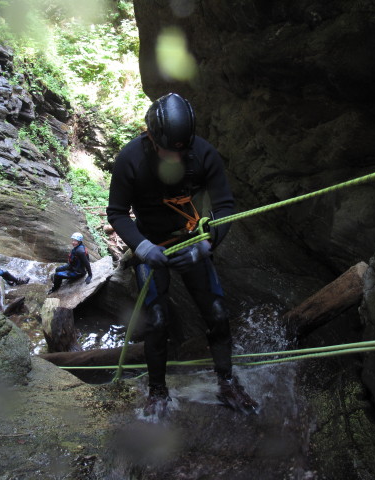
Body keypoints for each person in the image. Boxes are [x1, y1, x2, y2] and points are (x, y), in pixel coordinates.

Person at [107, 93, 258, 417]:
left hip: (192, 241)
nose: (175, 157)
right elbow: (118, 212)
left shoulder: (203, 154)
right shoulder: (130, 160)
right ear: (151, 137)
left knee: (217, 313)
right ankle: (158, 392)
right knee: (157, 322)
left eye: (181, 150)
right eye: (167, 150)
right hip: (152, 245)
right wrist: (143, 248)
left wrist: (205, 246)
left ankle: (227, 382)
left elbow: (225, 208)